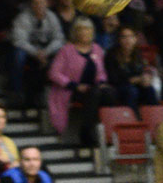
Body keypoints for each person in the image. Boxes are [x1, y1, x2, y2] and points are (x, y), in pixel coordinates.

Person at [47, 17, 117, 146]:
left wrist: (101, 82)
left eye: (88, 29)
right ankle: (86, 133)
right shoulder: (66, 50)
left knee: (109, 92)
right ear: (75, 32)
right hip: (71, 90)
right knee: (95, 94)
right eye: (81, 30)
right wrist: (74, 85)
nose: (85, 33)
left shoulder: (97, 49)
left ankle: (109, 134)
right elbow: (54, 73)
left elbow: (101, 72)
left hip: (93, 89)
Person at [9, 0, 65, 100]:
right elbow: (18, 40)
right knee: (18, 55)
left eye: (42, 2)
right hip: (29, 51)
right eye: (36, 2)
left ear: (47, 3)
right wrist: (36, 53)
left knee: (62, 52)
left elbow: (59, 39)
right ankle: (16, 91)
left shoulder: (52, 17)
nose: (39, 5)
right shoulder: (22, 18)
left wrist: (46, 52)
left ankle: (55, 92)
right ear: (31, 4)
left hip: (46, 50)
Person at [105, 25, 159, 110]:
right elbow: (112, 78)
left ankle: (155, 117)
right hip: (118, 87)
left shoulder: (137, 54)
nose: (128, 40)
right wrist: (133, 80)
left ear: (135, 39)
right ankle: (132, 119)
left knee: (149, 89)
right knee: (132, 91)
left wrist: (145, 77)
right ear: (119, 39)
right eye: (124, 37)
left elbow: (141, 71)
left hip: (135, 85)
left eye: (131, 36)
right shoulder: (111, 55)